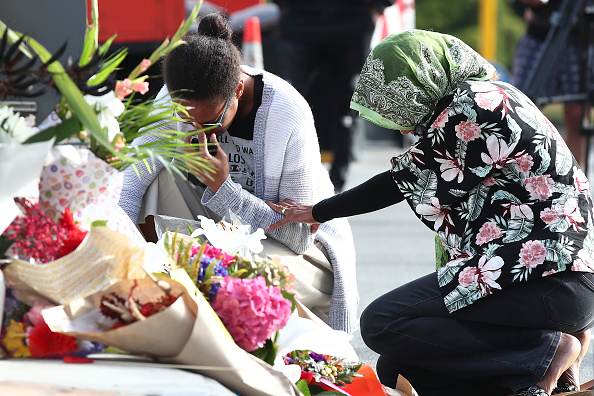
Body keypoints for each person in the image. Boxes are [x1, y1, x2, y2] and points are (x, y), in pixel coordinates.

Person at [267, 30, 594, 396]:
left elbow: (400, 180)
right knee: (401, 368)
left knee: (382, 323)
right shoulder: (493, 95)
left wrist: (317, 211)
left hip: (545, 277)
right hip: (549, 280)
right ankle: (538, 377)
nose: (405, 127)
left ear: (424, 84)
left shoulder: (476, 105)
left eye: (401, 108)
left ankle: (546, 353)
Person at [117, 13, 359, 334]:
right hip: (229, 228)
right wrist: (118, 249)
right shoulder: (179, 97)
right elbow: (132, 175)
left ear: (238, 89)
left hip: (298, 253)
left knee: (237, 275)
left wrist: (223, 187)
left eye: (212, 122)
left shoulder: (286, 112)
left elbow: (298, 238)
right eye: (187, 120)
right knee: (154, 175)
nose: (199, 130)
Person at [272, 0, 395, 192]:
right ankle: (282, 178)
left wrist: (377, 7)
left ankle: (336, 185)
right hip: (301, 21)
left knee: (348, 107)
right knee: (286, 101)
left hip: (352, 22)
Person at [511, 0, 590, 169]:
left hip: (583, 39)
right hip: (541, 36)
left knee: (577, 116)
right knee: (522, 111)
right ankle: (519, 174)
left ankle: (576, 181)